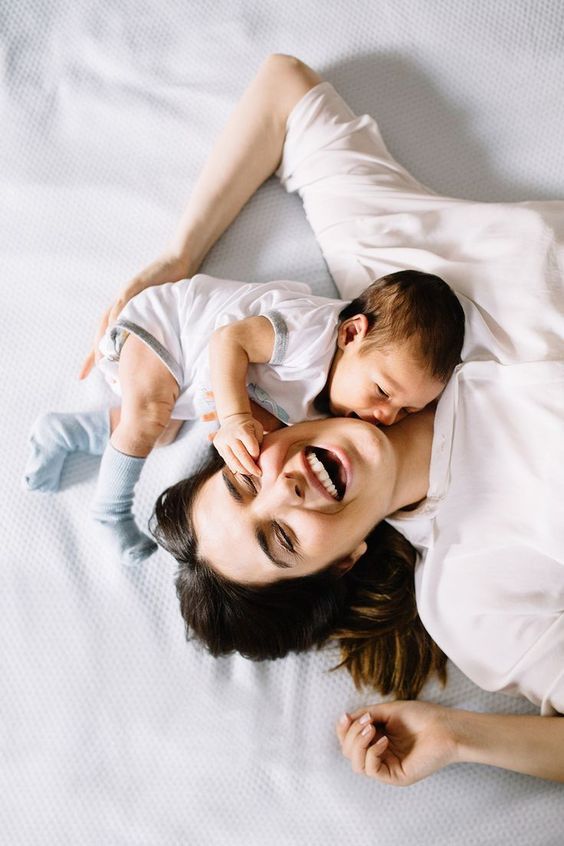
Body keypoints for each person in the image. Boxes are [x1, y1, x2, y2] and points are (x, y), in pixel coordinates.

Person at [80, 54, 564, 784]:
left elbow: (280, 90)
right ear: (341, 562)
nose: (287, 489)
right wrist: (461, 737)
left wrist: (179, 259)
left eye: (247, 480)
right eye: (280, 537)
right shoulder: (472, 595)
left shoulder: (376, 303)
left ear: (255, 435)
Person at [23, 266, 463, 564]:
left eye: (406, 409)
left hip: (192, 378)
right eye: (383, 391)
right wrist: (232, 418)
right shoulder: (308, 334)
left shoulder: (343, 389)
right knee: (148, 416)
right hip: (168, 331)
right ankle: (109, 510)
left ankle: (65, 433)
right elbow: (227, 343)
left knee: (162, 434)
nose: (386, 415)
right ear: (351, 333)